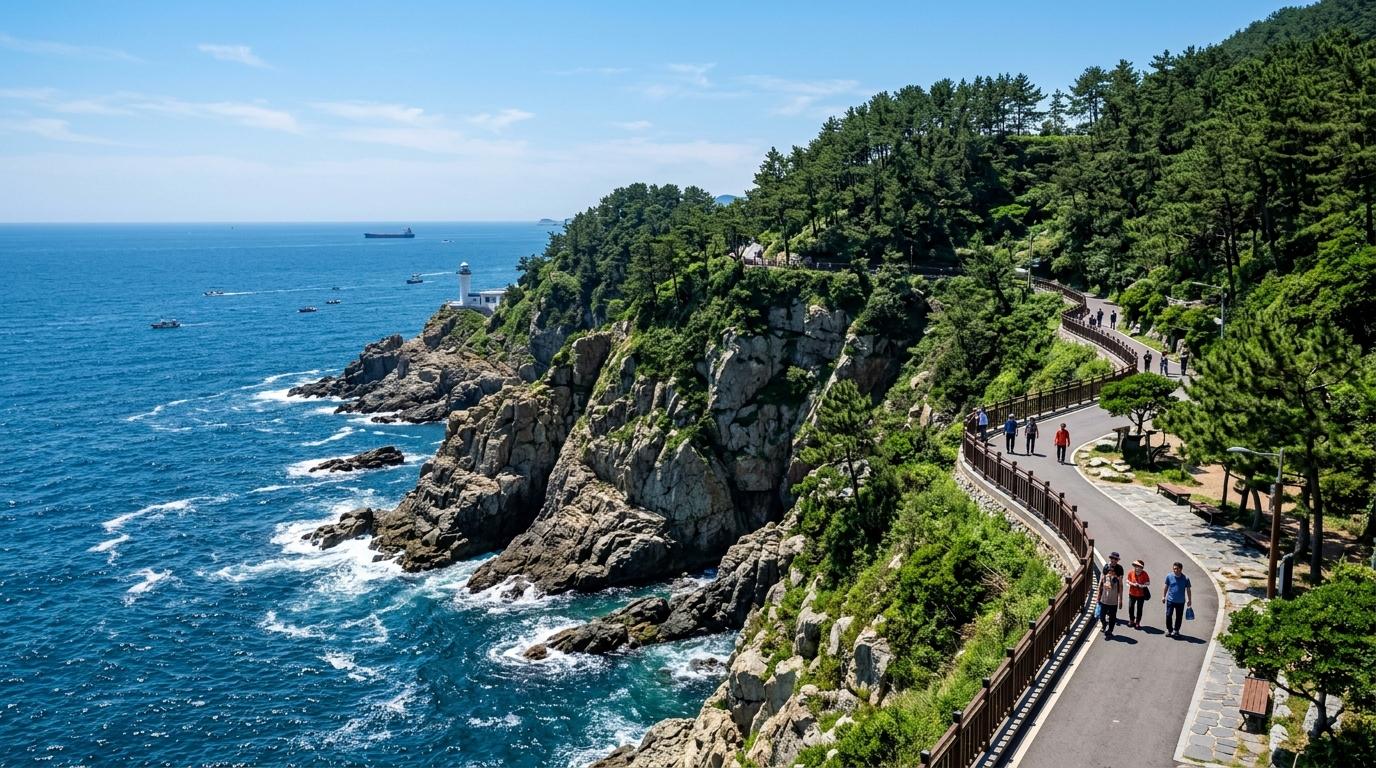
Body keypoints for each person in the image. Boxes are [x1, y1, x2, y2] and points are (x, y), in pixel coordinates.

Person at [1098, 552, 1125, 638]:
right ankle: (1104, 624)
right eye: (1112, 558)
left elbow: (1121, 585)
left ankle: (1110, 630)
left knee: (1112, 618)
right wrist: (1098, 595)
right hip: (1104, 599)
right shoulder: (1105, 567)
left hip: (1113, 600)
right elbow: (1100, 582)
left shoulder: (1120, 569)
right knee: (1102, 616)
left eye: (1115, 559)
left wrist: (1120, 599)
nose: (1113, 560)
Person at [1163, 561, 1193, 638]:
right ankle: (1169, 630)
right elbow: (1166, 586)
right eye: (1174, 569)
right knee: (1168, 615)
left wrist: (1189, 600)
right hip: (1170, 600)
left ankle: (1176, 630)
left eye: (1176, 569)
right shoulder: (1169, 576)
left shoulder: (1185, 578)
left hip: (1181, 602)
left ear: (1181, 569)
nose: (1175, 570)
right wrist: (1163, 596)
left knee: (1179, 617)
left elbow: (1188, 590)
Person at [1126, 559, 1151, 629]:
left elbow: (1148, 583)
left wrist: (1141, 585)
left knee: (1139, 609)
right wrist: (1132, 584)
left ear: (1141, 568)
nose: (1137, 568)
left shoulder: (1144, 574)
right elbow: (1127, 581)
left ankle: (1137, 622)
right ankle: (1131, 620)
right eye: (1136, 566)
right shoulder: (1131, 573)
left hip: (1141, 595)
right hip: (1132, 593)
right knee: (1131, 607)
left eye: (1138, 567)